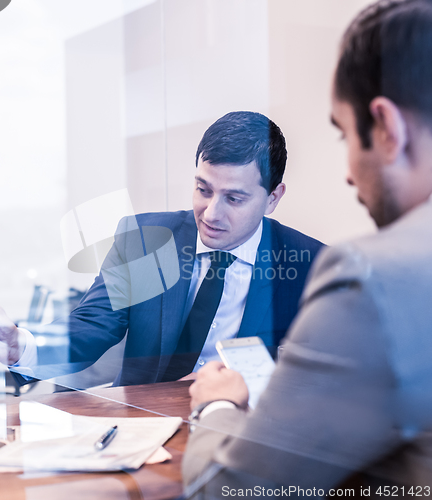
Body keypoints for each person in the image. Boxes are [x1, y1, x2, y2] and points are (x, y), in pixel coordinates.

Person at [183, 0, 432, 496]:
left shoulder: (366, 275)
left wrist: (215, 405)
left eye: (344, 135)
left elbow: (226, 488)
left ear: (385, 129)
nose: (346, 171)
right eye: (203, 189)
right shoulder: (148, 243)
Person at [0, 111, 323, 386]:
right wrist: (19, 345)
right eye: (203, 189)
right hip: (140, 426)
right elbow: (92, 326)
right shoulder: (145, 240)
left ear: (273, 198)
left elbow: (319, 374)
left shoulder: (310, 264)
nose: (212, 213)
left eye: (234, 198)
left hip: (239, 436)